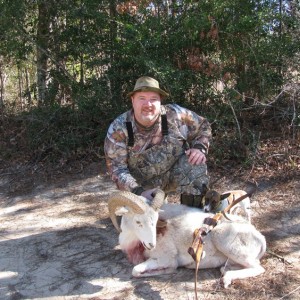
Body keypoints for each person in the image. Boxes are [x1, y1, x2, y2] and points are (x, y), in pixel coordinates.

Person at [104, 76, 212, 207]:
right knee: (140, 221)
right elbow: (117, 170)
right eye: (142, 98)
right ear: (133, 101)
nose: (148, 104)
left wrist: (199, 148)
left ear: (160, 101)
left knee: (195, 162)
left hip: (174, 173)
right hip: (141, 186)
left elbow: (203, 126)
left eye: (153, 99)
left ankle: (192, 213)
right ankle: (151, 205)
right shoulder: (118, 129)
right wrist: (139, 192)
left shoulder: (176, 115)